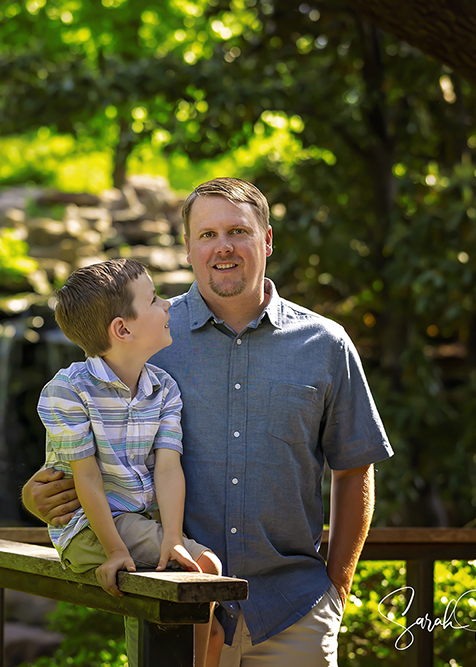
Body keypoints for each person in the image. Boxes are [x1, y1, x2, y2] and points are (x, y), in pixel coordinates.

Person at [24, 177, 394, 666]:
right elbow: (86, 443)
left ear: (266, 239)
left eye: (238, 231)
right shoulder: (145, 333)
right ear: (187, 246)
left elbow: (354, 470)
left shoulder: (326, 345)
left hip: (294, 610)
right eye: (207, 234)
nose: (224, 247)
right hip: (174, 608)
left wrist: (338, 587)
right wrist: (35, 495)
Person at [39, 258, 225, 667]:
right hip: (90, 528)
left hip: (138, 521)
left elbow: (168, 467)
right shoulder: (66, 391)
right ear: (123, 329)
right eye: (155, 299)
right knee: (206, 570)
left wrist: (173, 536)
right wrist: (114, 550)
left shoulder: (163, 388)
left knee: (206, 596)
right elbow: (85, 477)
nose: (167, 306)